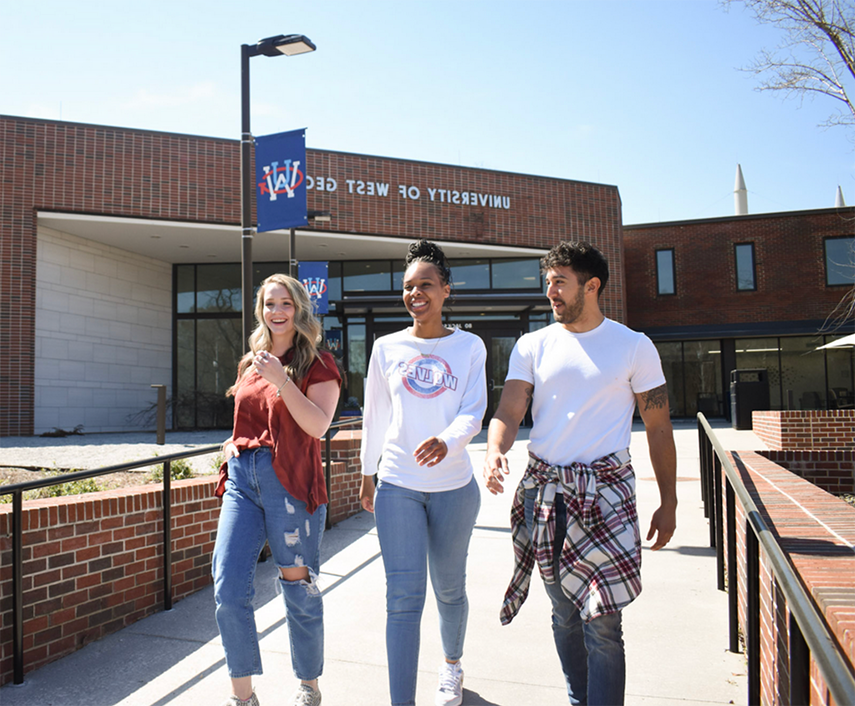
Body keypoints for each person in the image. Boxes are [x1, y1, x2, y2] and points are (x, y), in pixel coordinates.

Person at [483, 241, 677, 706]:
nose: (550, 291)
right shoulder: (533, 345)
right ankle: (579, 697)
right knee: (565, 614)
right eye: (547, 281)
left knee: (604, 620)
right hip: (545, 494)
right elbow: (510, 409)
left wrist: (668, 501)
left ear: (592, 286)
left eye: (559, 282)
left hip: (608, 494)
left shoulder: (634, 346)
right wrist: (494, 449)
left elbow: (658, 426)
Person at [360, 240, 487, 706]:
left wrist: (448, 440)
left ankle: (451, 666)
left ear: (446, 290)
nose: (416, 293)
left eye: (426, 285)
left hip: (454, 487)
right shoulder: (385, 347)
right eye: (408, 286)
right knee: (402, 598)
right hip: (397, 485)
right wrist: (367, 472)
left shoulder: (469, 346)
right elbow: (374, 415)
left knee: (450, 589)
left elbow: (475, 411)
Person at [212, 273, 341, 706]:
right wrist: (233, 444)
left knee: (296, 586)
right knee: (228, 587)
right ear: (260, 311)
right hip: (243, 481)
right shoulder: (252, 361)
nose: (277, 312)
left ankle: (308, 685)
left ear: (299, 309)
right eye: (269, 304)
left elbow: (318, 426)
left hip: (288, 482)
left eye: (285, 304)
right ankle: (243, 697)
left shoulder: (318, 363)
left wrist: (282, 379)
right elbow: (248, 418)